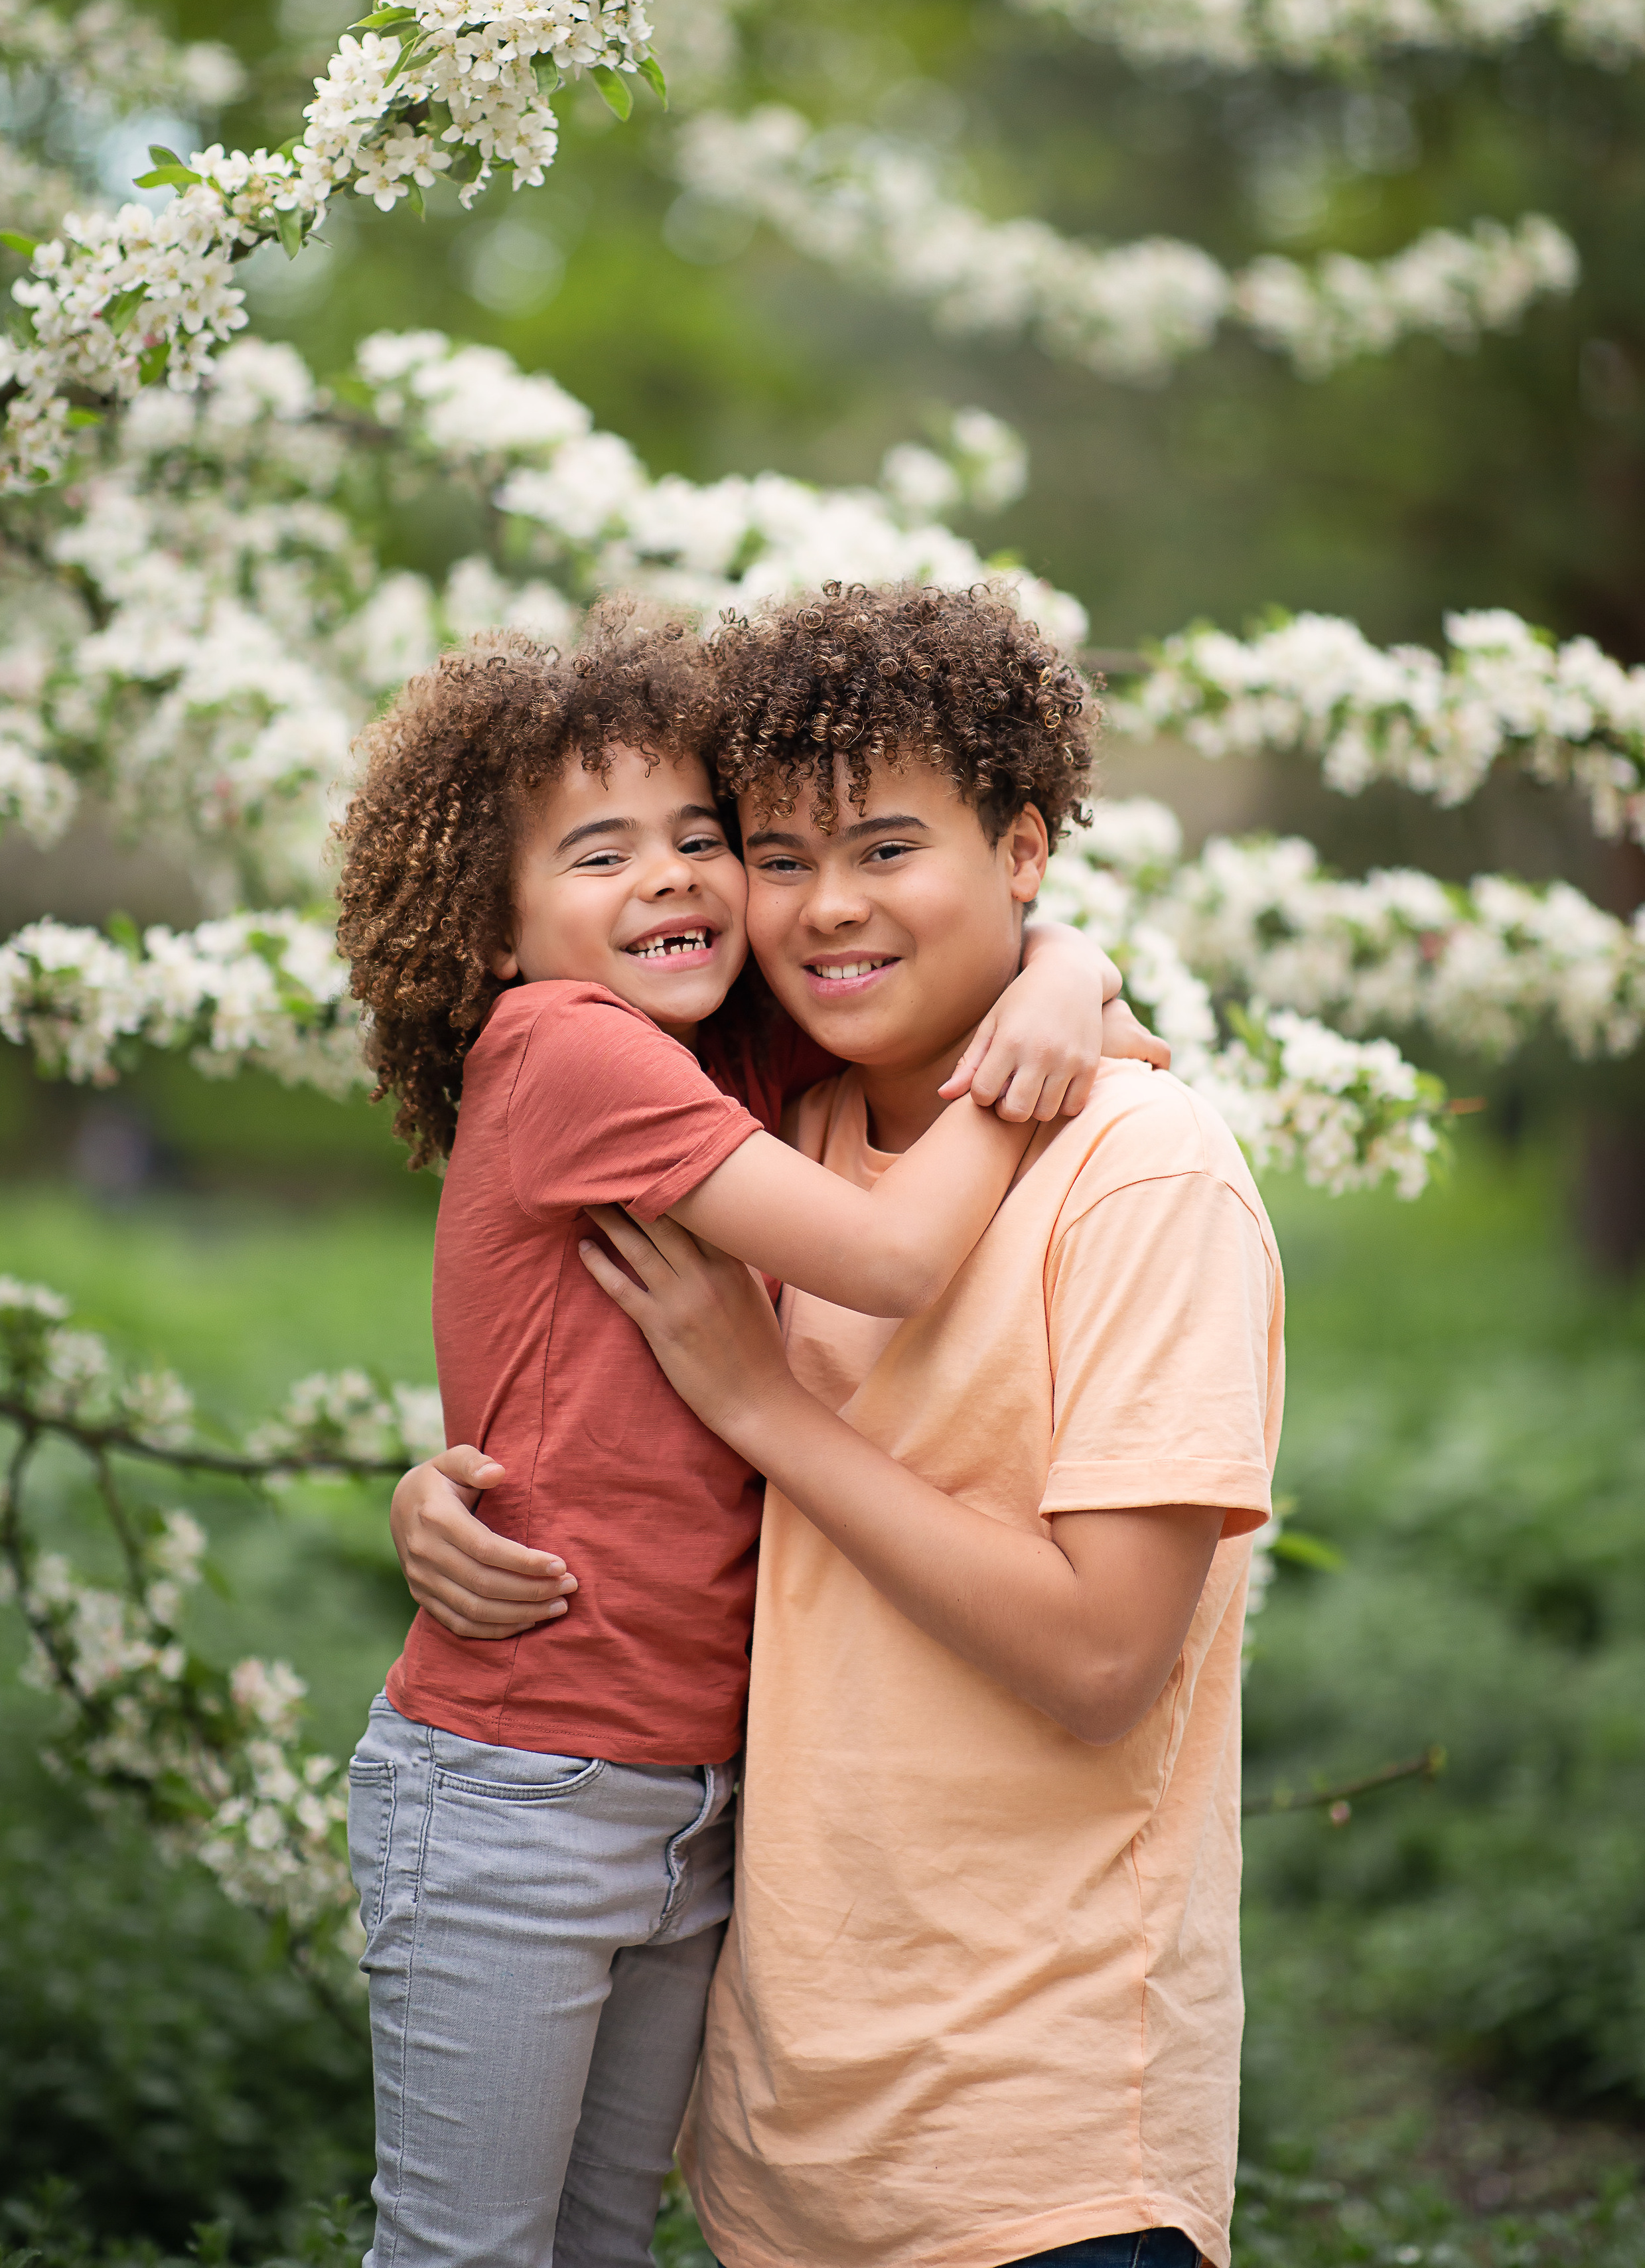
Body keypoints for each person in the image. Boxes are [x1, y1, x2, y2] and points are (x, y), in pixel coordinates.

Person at [408, 584, 1281, 2268]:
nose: (821, 911)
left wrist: (759, 1408)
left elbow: (1108, 1660)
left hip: (1039, 2157)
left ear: (1023, 851)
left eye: (887, 850)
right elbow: (566, 1379)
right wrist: (433, 1495)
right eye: (779, 855)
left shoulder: (1147, 1172)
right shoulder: (773, 1124)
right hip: (781, 2145)